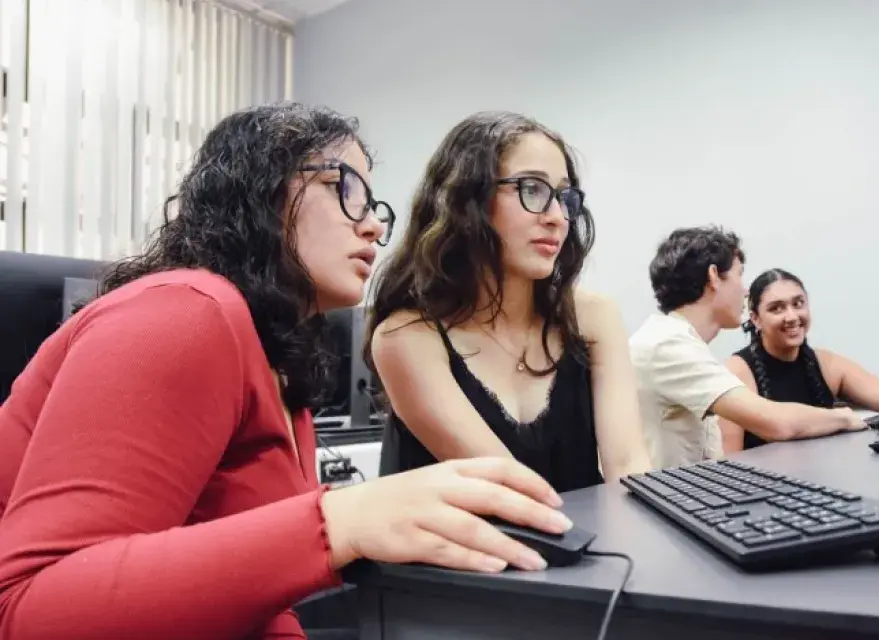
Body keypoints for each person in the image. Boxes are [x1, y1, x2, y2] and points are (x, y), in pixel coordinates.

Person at [0, 103, 574, 640]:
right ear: (259, 191)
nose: (373, 225)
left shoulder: (276, 365)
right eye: (341, 187)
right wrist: (336, 522)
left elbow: (249, 602)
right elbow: (29, 609)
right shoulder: (186, 310)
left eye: (375, 205)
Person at [366, 111, 651, 491]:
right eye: (532, 189)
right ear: (466, 200)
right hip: (468, 547)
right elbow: (513, 492)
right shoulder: (406, 335)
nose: (557, 217)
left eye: (564, 197)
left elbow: (629, 466)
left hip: (588, 546)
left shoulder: (594, 316)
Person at [629, 226, 865, 469]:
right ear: (713, 277)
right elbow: (775, 422)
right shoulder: (668, 345)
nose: (744, 291)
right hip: (666, 498)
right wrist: (844, 417)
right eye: (739, 275)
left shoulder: (674, 339)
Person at [723, 268, 879, 452]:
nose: (792, 317)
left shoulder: (827, 364)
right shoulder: (736, 372)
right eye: (777, 308)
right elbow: (727, 460)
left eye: (798, 304)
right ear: (756, 319)